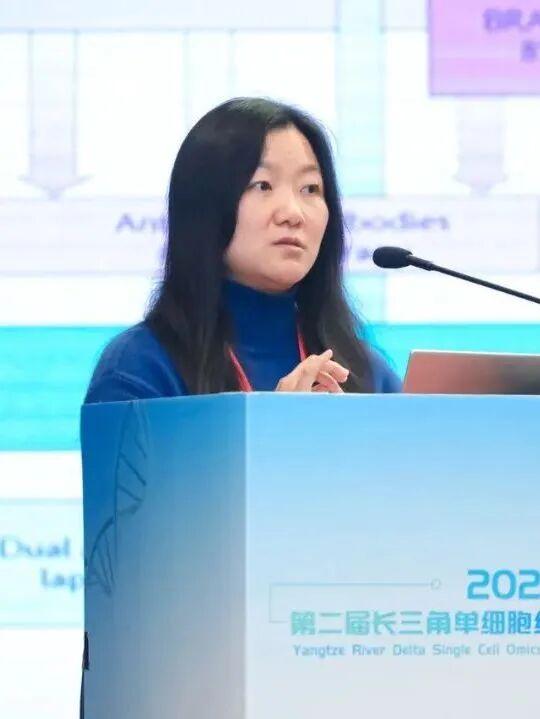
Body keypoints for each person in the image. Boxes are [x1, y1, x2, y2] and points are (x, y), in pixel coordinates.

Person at [84, 97, 401, 402]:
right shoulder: (139, 369)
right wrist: (276, 428)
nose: (293, 213)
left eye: (310, 188)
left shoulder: (368, 374)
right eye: (263, 185)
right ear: (205, 205)